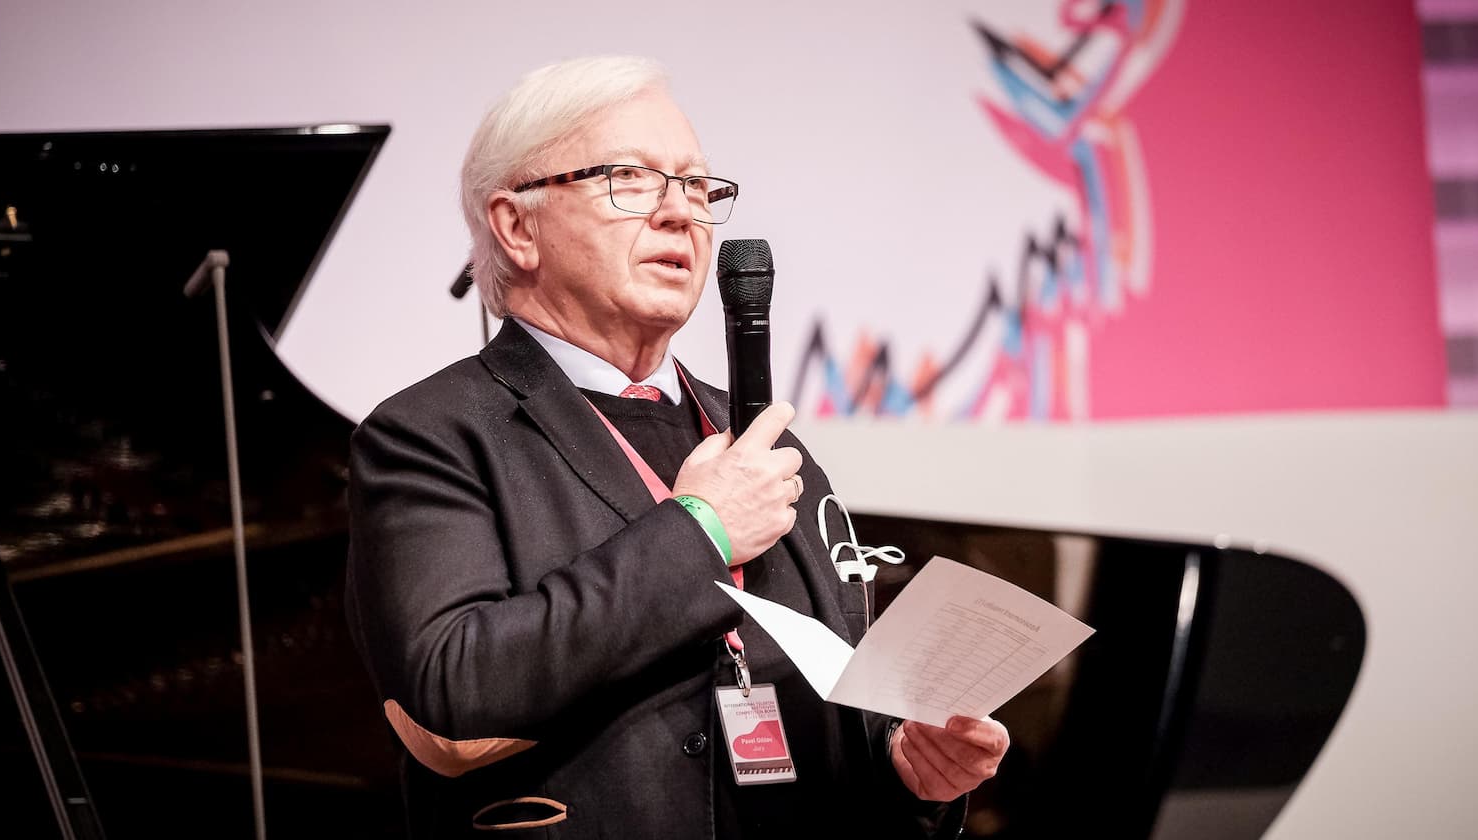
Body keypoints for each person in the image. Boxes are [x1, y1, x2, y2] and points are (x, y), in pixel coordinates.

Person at [344, 55, 1009, 839]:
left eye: (697, 187)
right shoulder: (431, 434)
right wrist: (700, 529)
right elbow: (451, 683)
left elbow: (841, 713)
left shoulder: (761, 439)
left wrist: (906, 772)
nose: (681, 214)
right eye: (631, 179)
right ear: (517, 226)